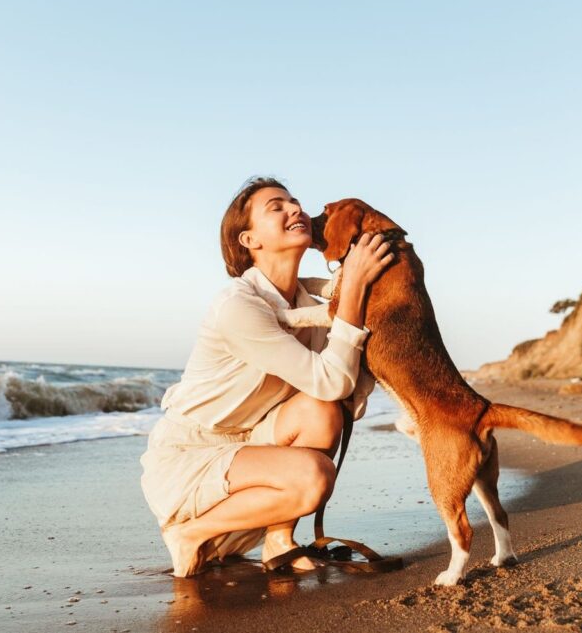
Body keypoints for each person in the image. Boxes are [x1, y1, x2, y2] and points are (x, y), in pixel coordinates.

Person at [139, 177, 393, 577]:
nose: (294, 209)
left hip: (253, 444)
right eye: (276, 206)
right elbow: (334, 380)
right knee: (314, 477)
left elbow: (341, 395)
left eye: (294, 202)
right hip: (191, 456)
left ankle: (279, 539)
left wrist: (355, 286)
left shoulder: (305, 303)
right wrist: (355, 285)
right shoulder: (238, 306)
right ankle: (191, 533)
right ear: (249, 240)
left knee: (322, 412)